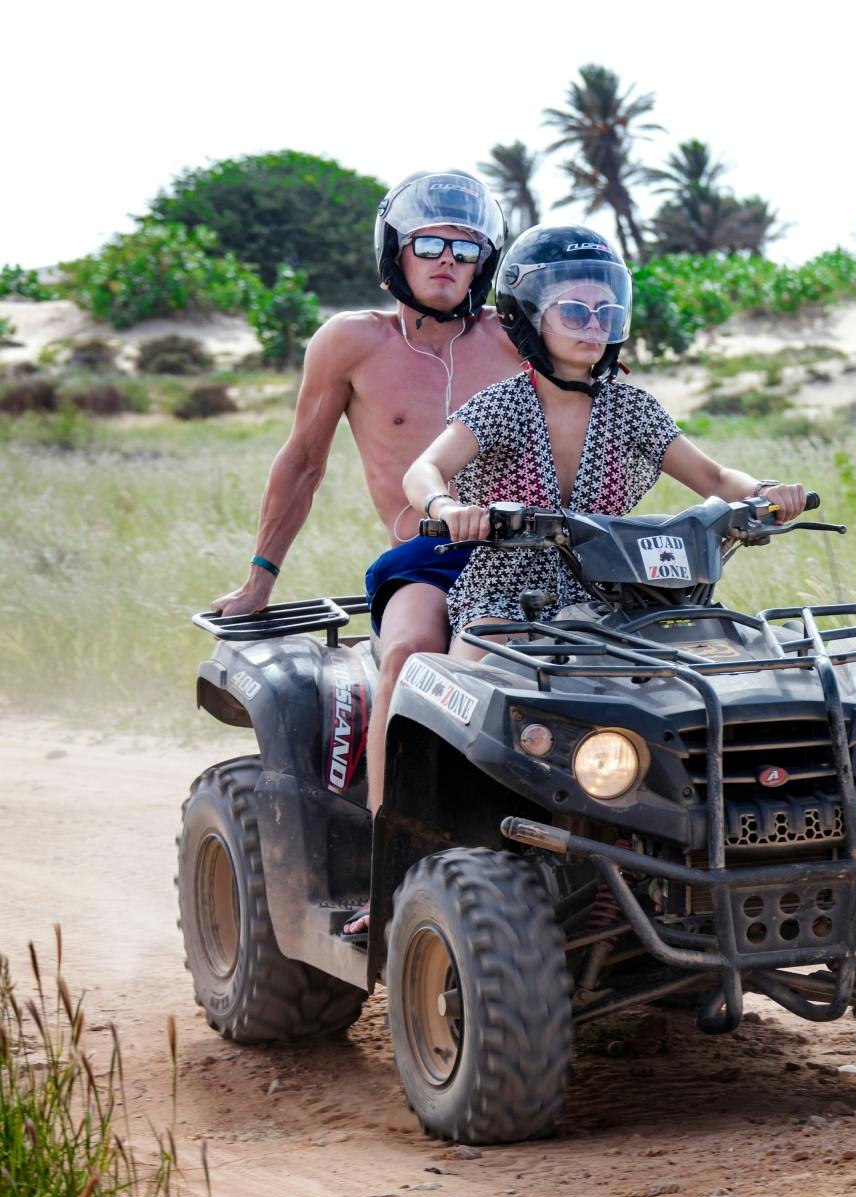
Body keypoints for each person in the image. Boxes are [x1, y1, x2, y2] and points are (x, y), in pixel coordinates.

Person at [208, 170, 519, 812]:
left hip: (531, 551)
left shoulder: (517, 337)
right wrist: (260, 578)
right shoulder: (352, 342)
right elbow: (302, 463)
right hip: (429, 560)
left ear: (483, 264)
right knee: (407, 650)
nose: (447, 262)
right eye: (430, 244)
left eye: (465, 250)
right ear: (394, 251)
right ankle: (388, 849)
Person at [403, 223, 808, 662]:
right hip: (504, 601)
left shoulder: (631, 409)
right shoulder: (503, 404)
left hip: (615, 600)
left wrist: (764, 493)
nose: (595, 326)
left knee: (712, 664)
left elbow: (714, 476)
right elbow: (424, 470)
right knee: (477, 674)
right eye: (576, 312)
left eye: (607, 313)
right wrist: (448, 508)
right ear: (530, 315)